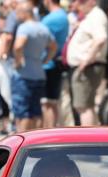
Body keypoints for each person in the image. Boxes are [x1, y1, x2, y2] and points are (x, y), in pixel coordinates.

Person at [12, 0, 56, 131]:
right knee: (36, 111)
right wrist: (46, 59)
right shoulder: (43, 28)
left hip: (24, 74)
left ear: (25, 13)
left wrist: (19, 61)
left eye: (18, 12)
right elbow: (53, 46)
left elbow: (19, 45)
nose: (17, 15)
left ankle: (21, 141)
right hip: (39, 73)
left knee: (23, 112)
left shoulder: (24, 27)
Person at [66, 0, 108, 126]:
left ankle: (89, 140)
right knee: (85, 106)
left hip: (88, 67)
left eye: (80, 2)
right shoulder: (92, 16)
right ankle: (94, 138)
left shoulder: (96, 16)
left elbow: (101, 38)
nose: (77, 6)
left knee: (83, 107)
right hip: (87, 66)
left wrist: (87, 60)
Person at [41, 0, 69, 128]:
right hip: (55, 63)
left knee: (47, 103)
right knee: (52, 102)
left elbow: (42, 41)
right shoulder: (63, 16)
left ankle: (47, 131)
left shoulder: (50, 19)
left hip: (48, 64)